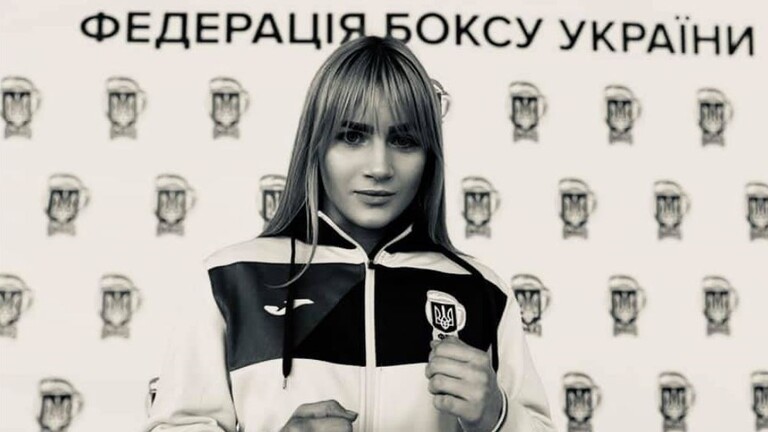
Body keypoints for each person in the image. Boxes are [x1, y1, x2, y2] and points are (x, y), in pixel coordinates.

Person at [144, 36, 555, 432]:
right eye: (352, 136)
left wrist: (498, 416)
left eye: (404, 140)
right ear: (315, 146)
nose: (379, 167)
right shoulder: (233, 280)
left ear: (430, 155)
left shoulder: (482, 292)